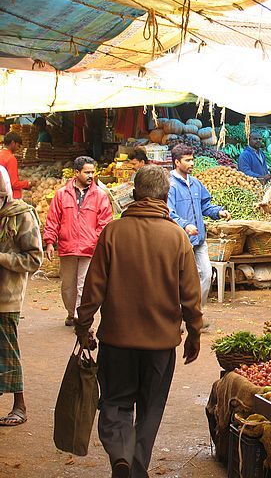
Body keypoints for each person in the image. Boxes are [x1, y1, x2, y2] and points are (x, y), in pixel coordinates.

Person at [75, 165, 203, 478]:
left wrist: (83, 325)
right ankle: (136, 467)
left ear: (134, 195)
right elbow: (190, 295)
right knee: (151, 407)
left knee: (116, 402)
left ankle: (120, 454)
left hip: (117, 340)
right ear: (166, 196)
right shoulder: (176, 237)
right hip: (160, 344)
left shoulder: (113, 232)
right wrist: (194, 333)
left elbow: (93, 288)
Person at [43, 156, 112, 326]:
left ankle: (78, 315)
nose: (90, 175)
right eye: (87, 172)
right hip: (67, 246)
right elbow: (53, 220)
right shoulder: (61, 194)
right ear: (76, 173)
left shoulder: (100, 196)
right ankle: (70, 311)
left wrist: (95, 241)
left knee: (84, 283)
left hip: (90, 248)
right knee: (67, 285)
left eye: (92, 172)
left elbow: (104, 222)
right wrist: (50, 242)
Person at [0, 165, 42, 426]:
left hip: (7, 296)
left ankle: (20, 406)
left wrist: (2, 258)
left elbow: (34, 259)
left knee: (8, 351)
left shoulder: (21, 215)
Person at [168, 144, 231, 310]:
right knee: (178, 281)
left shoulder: (195, 183)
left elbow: (205, 205)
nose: (192, 163)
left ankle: (196, 313)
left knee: (207, 274)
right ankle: (177, 317)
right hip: (179, 242)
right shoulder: (170, 185)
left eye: (192, 159)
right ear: (176, 162)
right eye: (187, 160)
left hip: (199, 240)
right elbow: (169, 212)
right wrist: (185, 225)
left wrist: (218, 212)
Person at [0, 132, 30, 199]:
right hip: (9, 198)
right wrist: (28, 183)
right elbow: (13, 184)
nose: (18, 148)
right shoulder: (11, 159)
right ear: (13, 143)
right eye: (18, 146)